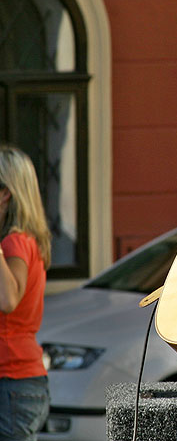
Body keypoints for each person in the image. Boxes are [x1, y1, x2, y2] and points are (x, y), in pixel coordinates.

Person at [0, 145, 52, 440]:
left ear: (5, 193)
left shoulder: (13, 243)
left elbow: (8, 300)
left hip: (12, 381)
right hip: (21, 381)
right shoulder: (27, 240)